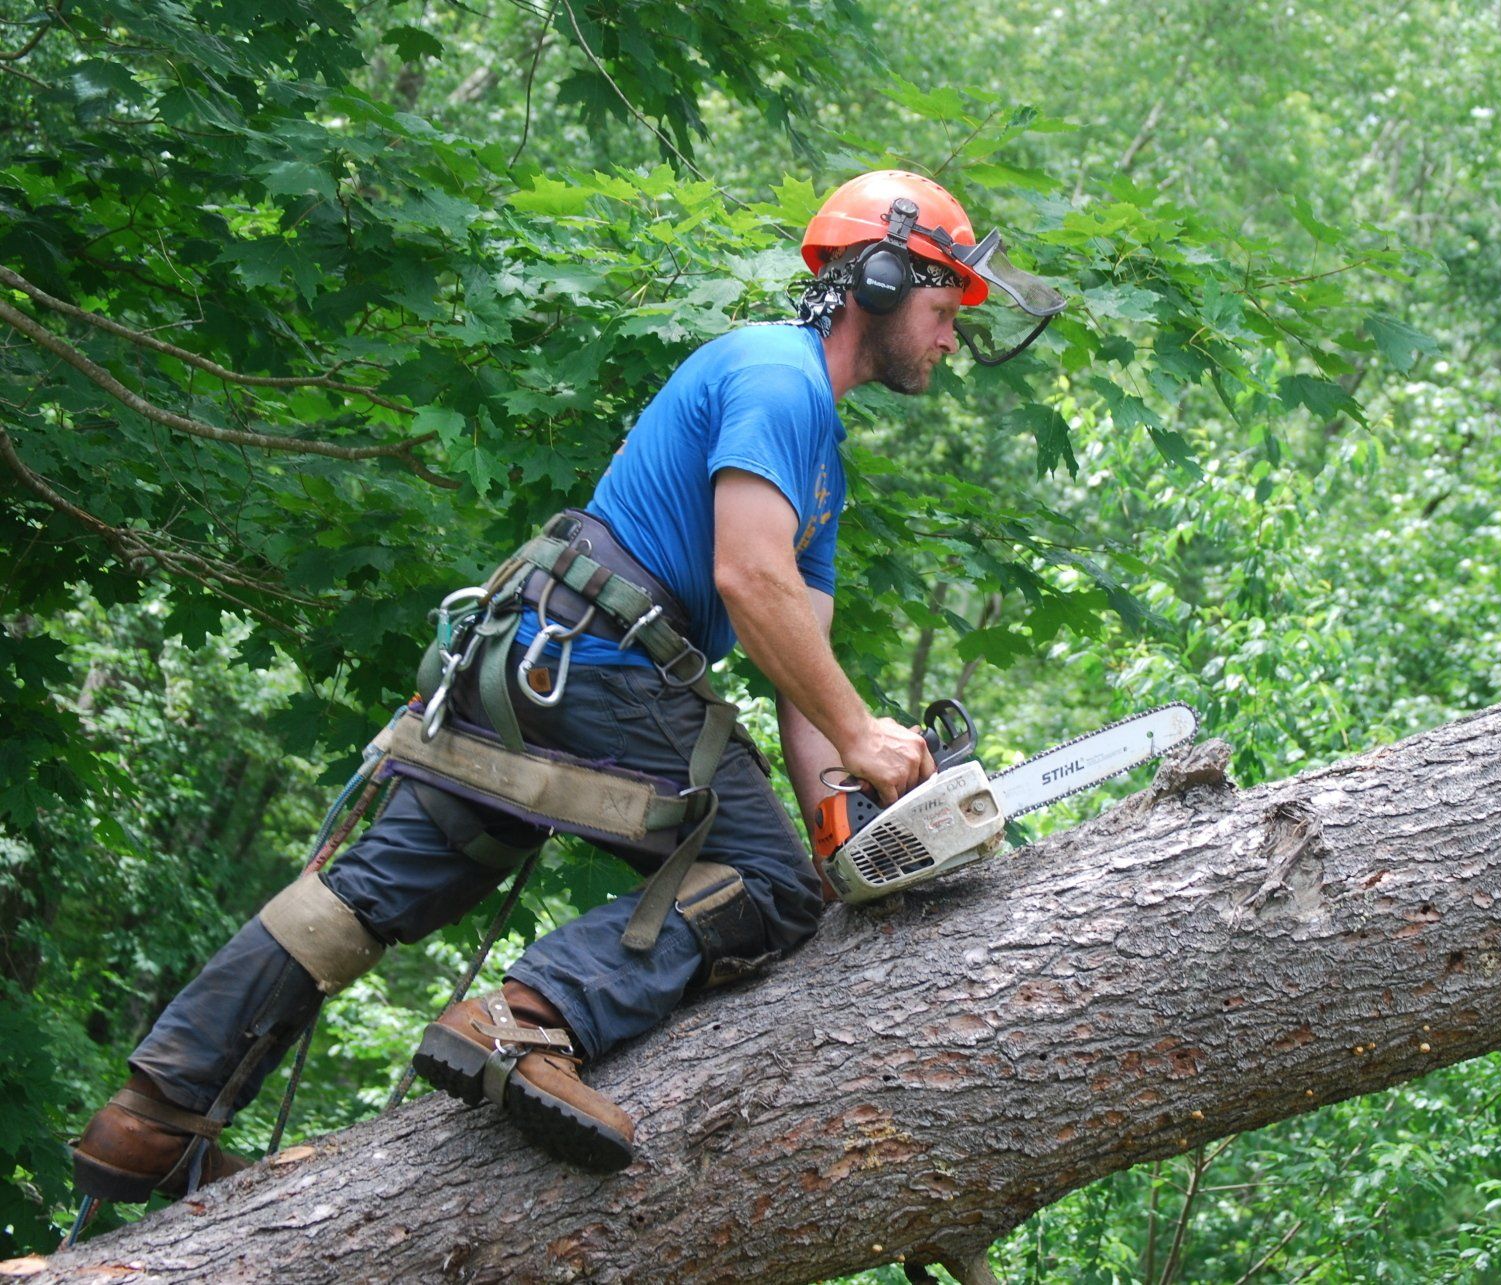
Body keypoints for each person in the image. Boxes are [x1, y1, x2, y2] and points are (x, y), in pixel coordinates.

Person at [68, 170, 1066, 1194]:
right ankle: (528, 1020)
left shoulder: (818, 459)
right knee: (761, 888)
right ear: (887, 279)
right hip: (605, 661)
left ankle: (152, 1115)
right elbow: (747, 576)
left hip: (536, 655)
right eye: (947, 311)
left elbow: (794, 659)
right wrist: (858, 743)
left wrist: (840, 818)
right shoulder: (780, 377)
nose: (952, 341)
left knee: (389, 882)